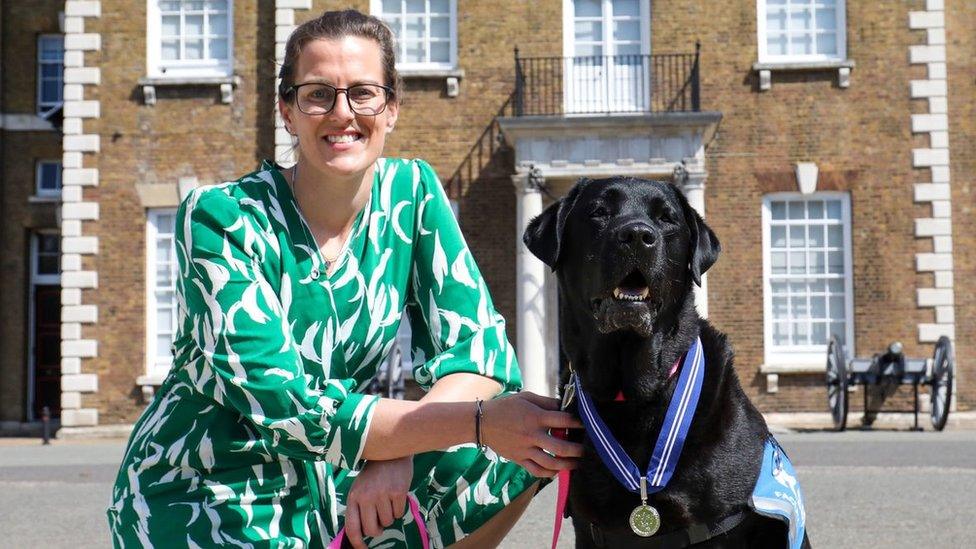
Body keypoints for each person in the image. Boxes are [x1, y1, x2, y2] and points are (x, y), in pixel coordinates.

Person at [107, 9, 582, 549]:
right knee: (486, 427)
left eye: (362, 92)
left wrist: (398, 450)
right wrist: (450, 427)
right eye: (316, 94)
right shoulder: (221, 217)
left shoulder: (413, 193)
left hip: (334, 474)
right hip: (210, 484)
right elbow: (288, 408)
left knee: (515, 452)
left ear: (392, 107)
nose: (342, 113)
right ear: (287, 111)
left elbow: (479, 355)